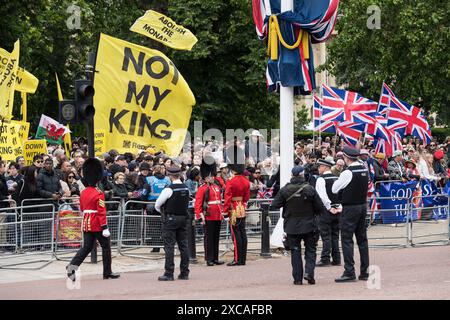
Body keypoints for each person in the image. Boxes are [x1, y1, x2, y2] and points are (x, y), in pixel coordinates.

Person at [67, 158, 120, 281]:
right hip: (97, 223)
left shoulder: (84, 192)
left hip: (86, 222)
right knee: (106, 246)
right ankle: (107, 272)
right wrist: (104, 227)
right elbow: (101, 212)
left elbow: (82, 207)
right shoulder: (99, 193)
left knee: (86, 248)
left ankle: (71, 267)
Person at [270, 166, 324, 285]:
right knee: (310, 250)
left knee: (295, 252)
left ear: (292, 175)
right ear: (302, 174)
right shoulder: (309, 189)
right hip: (309, 225)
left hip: (291, 226)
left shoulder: (285, 190)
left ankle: (297, 279)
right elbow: (320, 208)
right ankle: (309, 273)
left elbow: (274, 205)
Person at [332, 146, 369, 283]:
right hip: (362, 206)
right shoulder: (364, 168)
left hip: (350, 208)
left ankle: (349, 272)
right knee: (362, 240)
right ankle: (365, 272)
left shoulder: (348, 172)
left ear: (346, 158)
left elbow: (335, 188)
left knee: (347, 239)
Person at [155, 165, 190, 281]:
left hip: (170, 219)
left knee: (169, 246)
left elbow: (157, 205)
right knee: (184, 246)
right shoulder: (186, 188)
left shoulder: (168, 189)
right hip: (183, 218)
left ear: (169, 176)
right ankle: (184, 272)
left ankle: (169, 273)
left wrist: (164, 212)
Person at [194, 156, 224, 266]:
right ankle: (209, 258)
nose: (212, 178)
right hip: (208, 215)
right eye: (210, 176)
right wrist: (200, 216)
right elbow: (198, 204)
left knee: (216, 237)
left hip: (217, 215)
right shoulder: (202, 188)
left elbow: (219, 201)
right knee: (209, 238)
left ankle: (215, 258)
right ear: (206, 177)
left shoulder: (216, 187)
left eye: (213, 176)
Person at [223, 145, 250, 266]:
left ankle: (238, 258)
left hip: (233, 208)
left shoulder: (230, 181)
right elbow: (247, 198)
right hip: (242, 207)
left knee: (236, 234)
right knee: (243, 232)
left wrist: (225, 211)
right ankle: (243, 258)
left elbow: (227, 198)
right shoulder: (246, 180)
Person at [315, 158, 342, 267]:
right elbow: (341, 193)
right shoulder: (337, 178)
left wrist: (329, 207)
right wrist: (339, 206)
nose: (318, 168)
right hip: (337, 209)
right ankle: (336, 258)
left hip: (326, 210)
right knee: (335, 235)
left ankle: (325, 258)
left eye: (320, 166)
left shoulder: (321, 179)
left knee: (326, 235)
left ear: (324, 167)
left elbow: (322, 196)